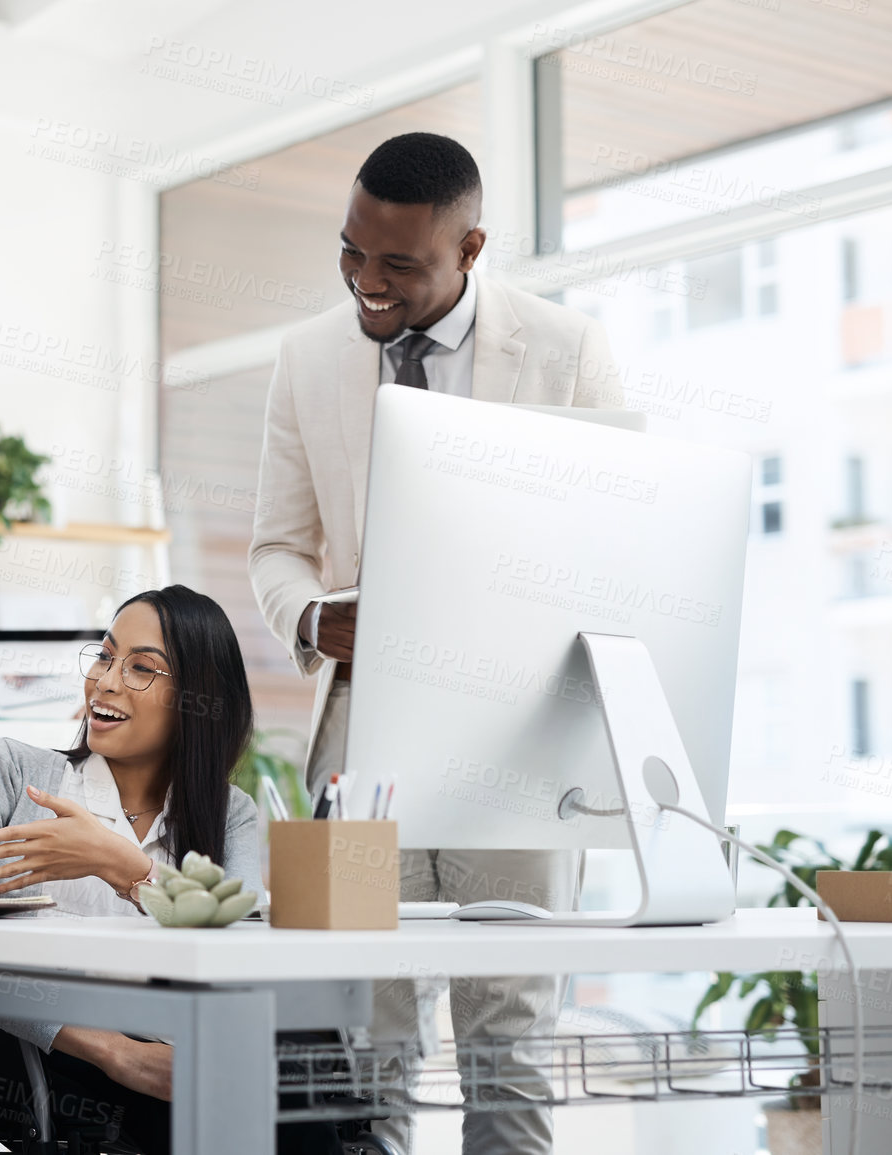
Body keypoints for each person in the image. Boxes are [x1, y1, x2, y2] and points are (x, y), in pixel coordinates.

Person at [248, 132, 624, 1155]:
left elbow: (612, 540)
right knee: (369, 1026)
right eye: (351, 254)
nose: (368, 284)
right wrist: (316, 618)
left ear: (472, 248)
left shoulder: (563, 350)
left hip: (519, 738)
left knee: (510, 1025)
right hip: (366, 739)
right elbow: (278, 548)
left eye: (399, 265)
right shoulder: (310, 356)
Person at [0, 585, 267, 1153]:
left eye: (142, 668)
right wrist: (118, 1053)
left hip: (198, 1059)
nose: (105, 681)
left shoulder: (232, 815)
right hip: (58, 1067)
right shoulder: (8, 772)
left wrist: (121, 865)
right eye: (104, 656)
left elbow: (239, 956)